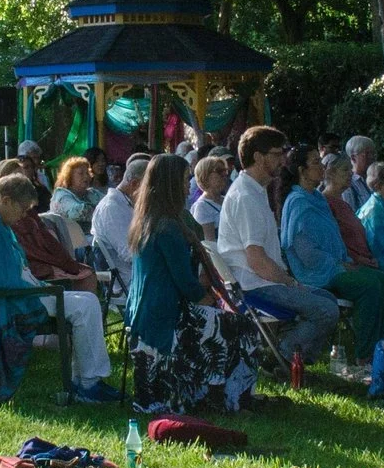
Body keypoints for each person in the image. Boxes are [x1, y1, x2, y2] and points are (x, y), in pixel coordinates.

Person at [0, 174, 119, 403]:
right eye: (22, 208)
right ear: (5, 200)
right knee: (85, 306)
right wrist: (42, 289)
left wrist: (40, 285)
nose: (23, 215)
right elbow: (1, 282)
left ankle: (85, 380)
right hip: (14, 301)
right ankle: (87, 383)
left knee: (87, 300)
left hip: (27, 291)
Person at [123, 153, 257, 412]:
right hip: (165, 314)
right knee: (241, 327)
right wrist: (208, 300)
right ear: (172, 184)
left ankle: (215, 393)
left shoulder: (148, 220)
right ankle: (224, 397)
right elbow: (186, 283)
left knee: (226, 322)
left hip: (148, 311)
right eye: (185, 180)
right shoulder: (167, 227)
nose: (189, 187)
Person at [217, 126, 342, 365]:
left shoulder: (254, 190)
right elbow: (256, 259)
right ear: (257, 156)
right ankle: (281, 358)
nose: (283, 159)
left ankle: (296, 359)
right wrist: (291, 282)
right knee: (326, 310)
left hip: (259, 279)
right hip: (253, 285)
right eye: (277, 153)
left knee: (328, 298)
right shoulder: (245, 197)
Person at [281, 149, 384, 365]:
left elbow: (334, 239)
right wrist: (339, 264)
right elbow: (305, 253)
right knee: (369, 285)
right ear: (301, 170)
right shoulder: (298, 201)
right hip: (317, 273)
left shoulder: (316, 198)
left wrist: (350, 261)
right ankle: (366, 355)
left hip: (338, 266)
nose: (322, 167)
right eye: (316, 162)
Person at [6, 162, 97, 294]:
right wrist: (53, 266)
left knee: (86, 274)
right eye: (80, 173)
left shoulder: (29, 212)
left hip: (46, 262)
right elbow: (28, 253)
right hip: (31, 273)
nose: (86, 176)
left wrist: (66, 262)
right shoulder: (6, 218)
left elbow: (48, 240)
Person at [89, 155, 142, 279]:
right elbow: (130, 254)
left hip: (139, 274)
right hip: (129, 279)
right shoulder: (111, 208)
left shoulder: (126, 203)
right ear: (134, 184)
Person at [47, 156, 100, 226]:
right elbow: (76, 212)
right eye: (81, 173)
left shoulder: (92, 193)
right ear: (69, 176)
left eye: (87, 173)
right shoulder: (61, 195)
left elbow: (109, 201)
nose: (86, 176)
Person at [189, 154, 232, 238]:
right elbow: (209, 243)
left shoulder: (227, 200)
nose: (224, 174)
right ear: (205, 176)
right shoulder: (202, 207)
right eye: (219, 171)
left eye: (225, 170)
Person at [341, 136, 377, 210]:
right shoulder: (348, 183)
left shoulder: (376, 178)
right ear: (353, 158)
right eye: (366, 154)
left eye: (373, 153)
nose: (372, 157)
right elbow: (350, 214)